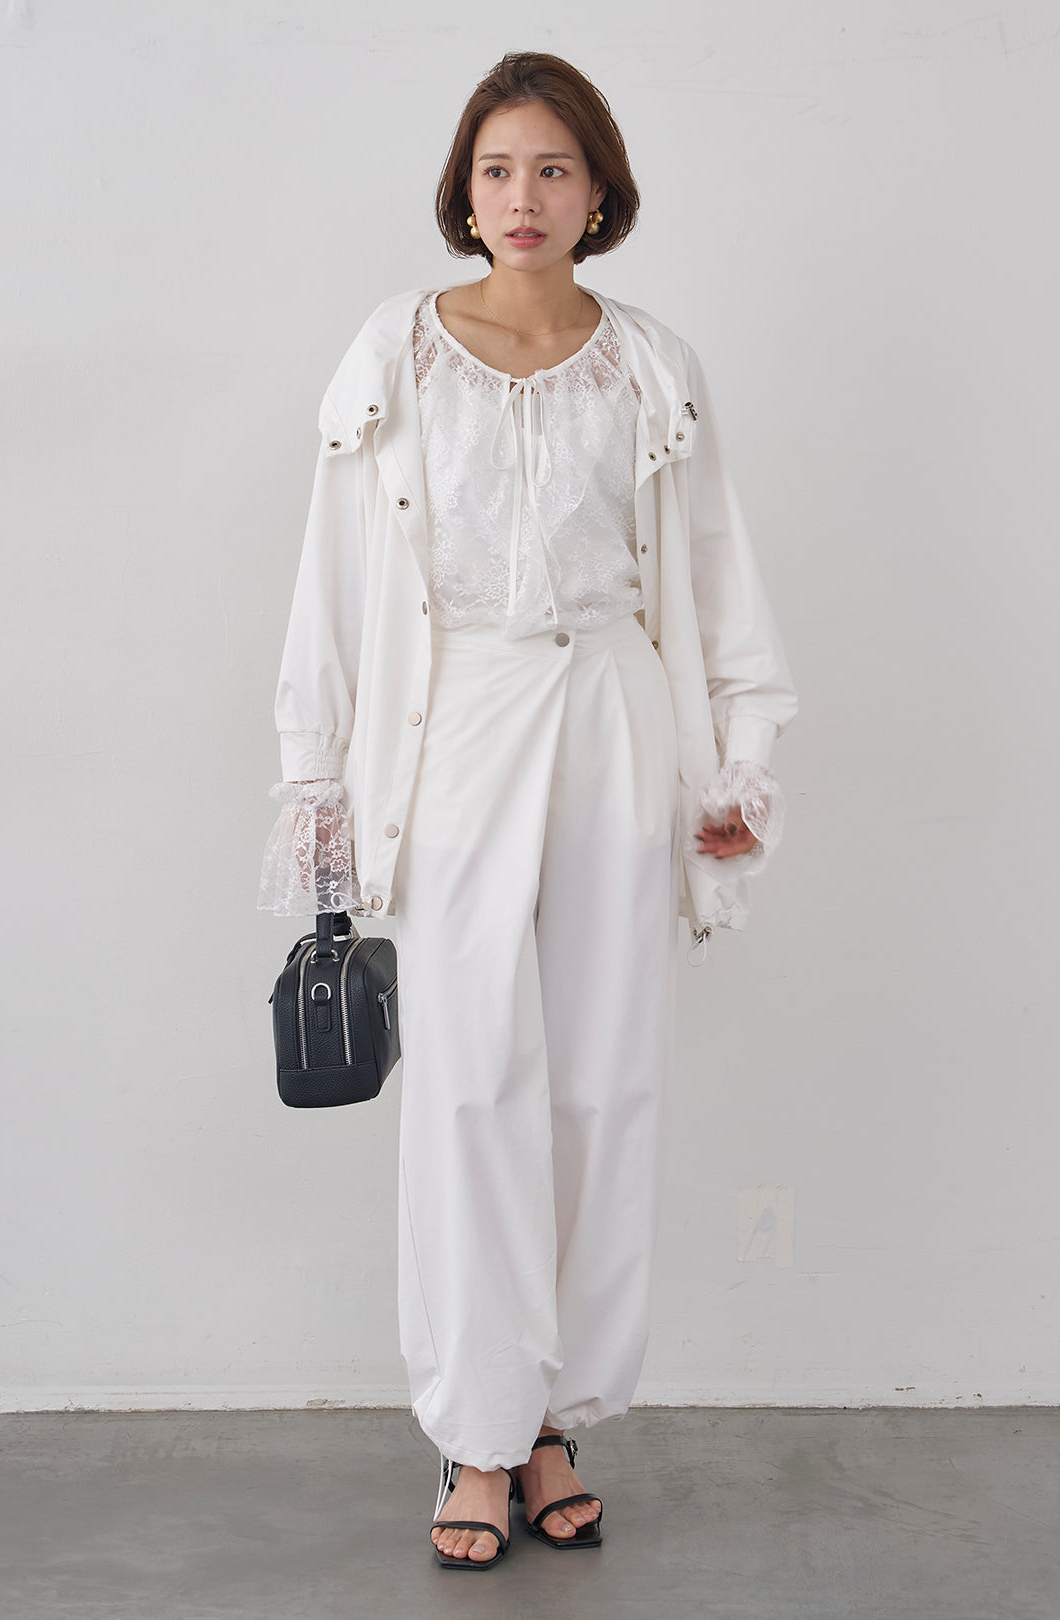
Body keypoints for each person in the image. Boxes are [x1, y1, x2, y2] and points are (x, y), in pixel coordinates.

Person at [258, 50, 798, 1572]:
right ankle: (477, 1429)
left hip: (616, 714)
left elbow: (712, 572)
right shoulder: (397, 352)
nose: (524, 197)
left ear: (600, 191)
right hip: (461, 727)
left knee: (605, 1084)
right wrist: (319, 784)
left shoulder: (652, 364)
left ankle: (555, 1417)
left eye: (555, 168)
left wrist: (737, 761)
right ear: (463, 188)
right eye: (498, 169)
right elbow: (336, 580)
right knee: (471, 1081)